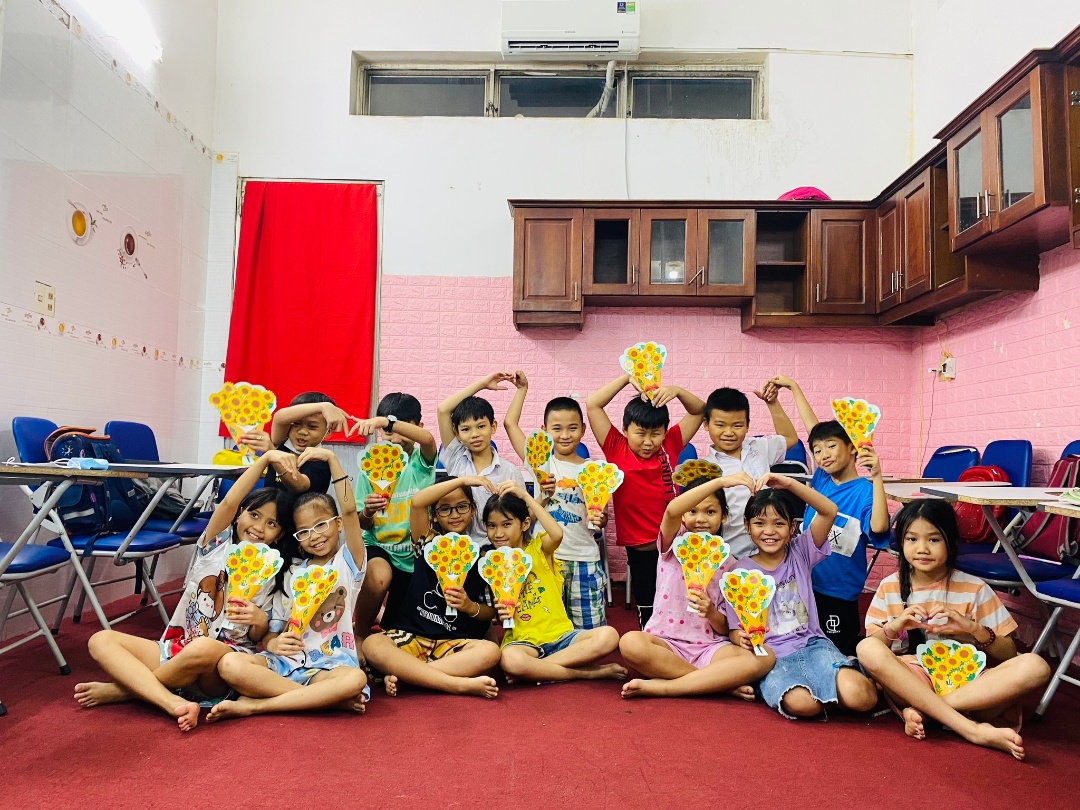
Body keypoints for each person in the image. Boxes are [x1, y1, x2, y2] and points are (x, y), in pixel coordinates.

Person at [73, 451, 296, 731]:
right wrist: (264, 460)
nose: (259, 527)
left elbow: (260, 638)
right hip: (178, 647)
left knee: (203, 647)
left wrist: (258, 620)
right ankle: (169, 700)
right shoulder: (215, 547)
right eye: (254, 515)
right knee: (100, 640)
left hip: (221, 663)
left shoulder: (277, 573)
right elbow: (229, 501)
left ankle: (126, 691)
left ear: (280, 534)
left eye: (271, 524)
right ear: (239, 515)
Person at [857, 500, 1050, 760]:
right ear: (901, 543)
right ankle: (972, 729)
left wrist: (972, 629)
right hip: (916, 680)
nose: (922, 549)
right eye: (912, 539)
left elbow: (1008, 653)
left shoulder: (975, 588)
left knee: (1036, 665)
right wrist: (895, 626)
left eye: (934, 540)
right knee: (867, 647)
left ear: (951, 542)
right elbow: (873, 657)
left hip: (971, 685)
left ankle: (928, 712)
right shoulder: (889, 587)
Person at [208, 448, 368, 721]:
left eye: (321, 525)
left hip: (329, 666)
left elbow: (352, 511)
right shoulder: (291, 573)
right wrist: (273, 644)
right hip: (284, 664)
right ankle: (321, 699)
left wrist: (332, 460)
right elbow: (272, 633)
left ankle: (256, 706)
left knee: (355, 679)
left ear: (339, 524)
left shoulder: (347, 563)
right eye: (304, 532)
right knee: (230, 664)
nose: (314, 536)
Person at [721, 474, 878, 720]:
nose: (769, 531)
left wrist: (790, 484)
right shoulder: (738, 573)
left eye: (779, 523)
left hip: (813, 645)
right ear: (747, 526)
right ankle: (829, 689)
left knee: (863, 697)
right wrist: (739, 638)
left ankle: (840, 681)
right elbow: (733, 629)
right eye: (760, 523)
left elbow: (829, 511)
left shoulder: (800, 552)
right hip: (772, 656)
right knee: (803, 705)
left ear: (792, 527)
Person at [619, 472, 775, 699]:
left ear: (724, 516)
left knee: (765, 657)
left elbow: (725, 627)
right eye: (692, 511)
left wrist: (710, 611)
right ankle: (716, 683)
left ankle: (667, 686)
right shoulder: (673, 545)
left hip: (708, 648)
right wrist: (721, 482)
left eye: (710, 512)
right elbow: (672, 510)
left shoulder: (730, 564)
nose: (701, 519)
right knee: (630, 643)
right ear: (684, 515)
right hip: (665, 644)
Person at [766, 374, 890, 656]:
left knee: (838, 652)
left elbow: (880, 526)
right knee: (803, 645)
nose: (823, 454)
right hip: (806, 583)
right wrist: (794, 388)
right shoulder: (823, 479)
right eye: (817, 451)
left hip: (839, 592)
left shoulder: (864, 491)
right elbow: (814, 430)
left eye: (832, 446)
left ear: (852, 447)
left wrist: (877, 477)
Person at [361, 476, 501, 698]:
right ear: (434, 515)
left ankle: (410, 676)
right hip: (412, 638)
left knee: (490, 652)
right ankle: (454, 684)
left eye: (462, 506)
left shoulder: (482, 558)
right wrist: (464, 480)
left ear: (473, 509)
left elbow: (489, 611)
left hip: (453, 644)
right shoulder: (426, 542)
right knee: (373, 644)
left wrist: (469, 606)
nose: (454, 514)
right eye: (444, 509)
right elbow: (418, 502)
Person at [586, 373, 705, 628]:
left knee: (678, 606)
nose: (649, 442)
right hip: (641, 549)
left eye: (656, 434)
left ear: (664, 432)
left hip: (674, 544)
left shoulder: (670, 444)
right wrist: (627, 378)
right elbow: (593, 404)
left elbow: (699, 410)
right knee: (649, 609)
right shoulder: (615, 446)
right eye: (640, 433)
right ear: (625, 430)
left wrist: (677, 390)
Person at [489, 483, 626, 684]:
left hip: (562, 637)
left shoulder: (539, 549)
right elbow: (501, 619)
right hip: (524, 643)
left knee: (609, 636)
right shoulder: (492, 564)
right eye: (491, 526)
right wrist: (501, 615)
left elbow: (557, 534)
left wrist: (526, 497)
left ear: (525, 524)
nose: (498, 533)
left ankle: (538, 670)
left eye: (506, 524)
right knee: (511, 660)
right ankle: (589, 673)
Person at [504, 372, 607, 629]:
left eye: (572, 428)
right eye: (557, 429)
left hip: (584, 558)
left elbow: (600, 517)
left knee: (590, 629)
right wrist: (522, 389)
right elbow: (510, 424)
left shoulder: (594, 470)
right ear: (545, 431)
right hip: (547, 558)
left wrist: (601, 519)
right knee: (550, 628)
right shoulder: (540, 462)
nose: (565, 435)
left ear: (583, 430)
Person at [352, 392, 438, 638]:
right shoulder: (372, 466)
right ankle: (360, 634)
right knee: (379, 577)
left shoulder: (422, 462)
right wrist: (367, 510)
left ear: (417, 427)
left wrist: (386, 422)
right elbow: (362, 524)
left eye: (401, 429)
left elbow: (428, 439)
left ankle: (383, 616)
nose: (395, 437)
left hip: (415, 554)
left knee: (394, 629)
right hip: (379, 546)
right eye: (387, 432)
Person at [700, 385, 798, 559]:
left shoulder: (758, 446)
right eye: (720, 425)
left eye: (737, 425)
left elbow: (790, 438)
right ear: (706, 424)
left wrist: (772, 403)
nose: (729, 432)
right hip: (732, 555)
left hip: (770, 548)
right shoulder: (705, 468)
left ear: (747, 425)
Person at [437, 372, 526, 539]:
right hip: (460, 547)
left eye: (481, 426)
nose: (474, 434)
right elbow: (443, 410)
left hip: (497, 546)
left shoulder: (510, 472)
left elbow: (521, 518)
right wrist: (483, 384)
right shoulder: (455, 457)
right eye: (466, 429)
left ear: (493, 427)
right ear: (456, 433)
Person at [240, 391, 357, 494]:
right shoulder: (281, 443)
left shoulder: (321, 461)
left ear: (328, 431)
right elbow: (279, 418)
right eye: (296, 423)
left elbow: (299, 485)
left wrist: (272, 453)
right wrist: (322, 407)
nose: (302, 431)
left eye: (312, 426)